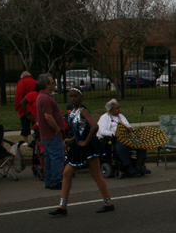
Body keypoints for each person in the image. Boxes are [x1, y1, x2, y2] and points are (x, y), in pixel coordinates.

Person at [49, 87, 114, 216]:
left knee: (96, 174)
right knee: (67, 173)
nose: (73, 99)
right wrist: (72, 139)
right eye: (71, 96)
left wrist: (86, 141)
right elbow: (80, 130)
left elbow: (94, 126)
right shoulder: (73, 112)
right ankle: (62, 207)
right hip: (78, 146)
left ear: (81, 97)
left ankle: (108, 203)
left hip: (89, 146)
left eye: (75, 96)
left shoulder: (83, 111)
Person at [97, 99, 150, 175]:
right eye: (117, 108)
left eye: (119, 107)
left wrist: (130, 129)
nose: (119, 109)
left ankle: (139, 166)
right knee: (121, 143)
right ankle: (127, 165)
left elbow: (128, 126)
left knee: (142, 143)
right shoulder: (104, 118)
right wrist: (115, 134)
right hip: (114, 139)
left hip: (127, 137)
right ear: (111, 110)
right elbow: (101, 131)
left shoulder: (121, 117)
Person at [36, 73, 66, 190]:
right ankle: (55, 180)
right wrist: (57, 128)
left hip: (46, 134)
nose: (54, 84)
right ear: (46, 85)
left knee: (48, 157)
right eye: (52, 83)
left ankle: (49, 179)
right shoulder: (46, 98)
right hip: (51, 134)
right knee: (56, 156)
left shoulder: (42, 97)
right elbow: (48, 116)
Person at [15, 71, 38, 144]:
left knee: (25, 124)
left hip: (25, 107)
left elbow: (19, 95)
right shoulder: (35, 82)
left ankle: (25, 140)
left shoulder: (22, 82)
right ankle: (37, 139)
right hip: (34, 106)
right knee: (36, 124)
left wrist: (17, 106)